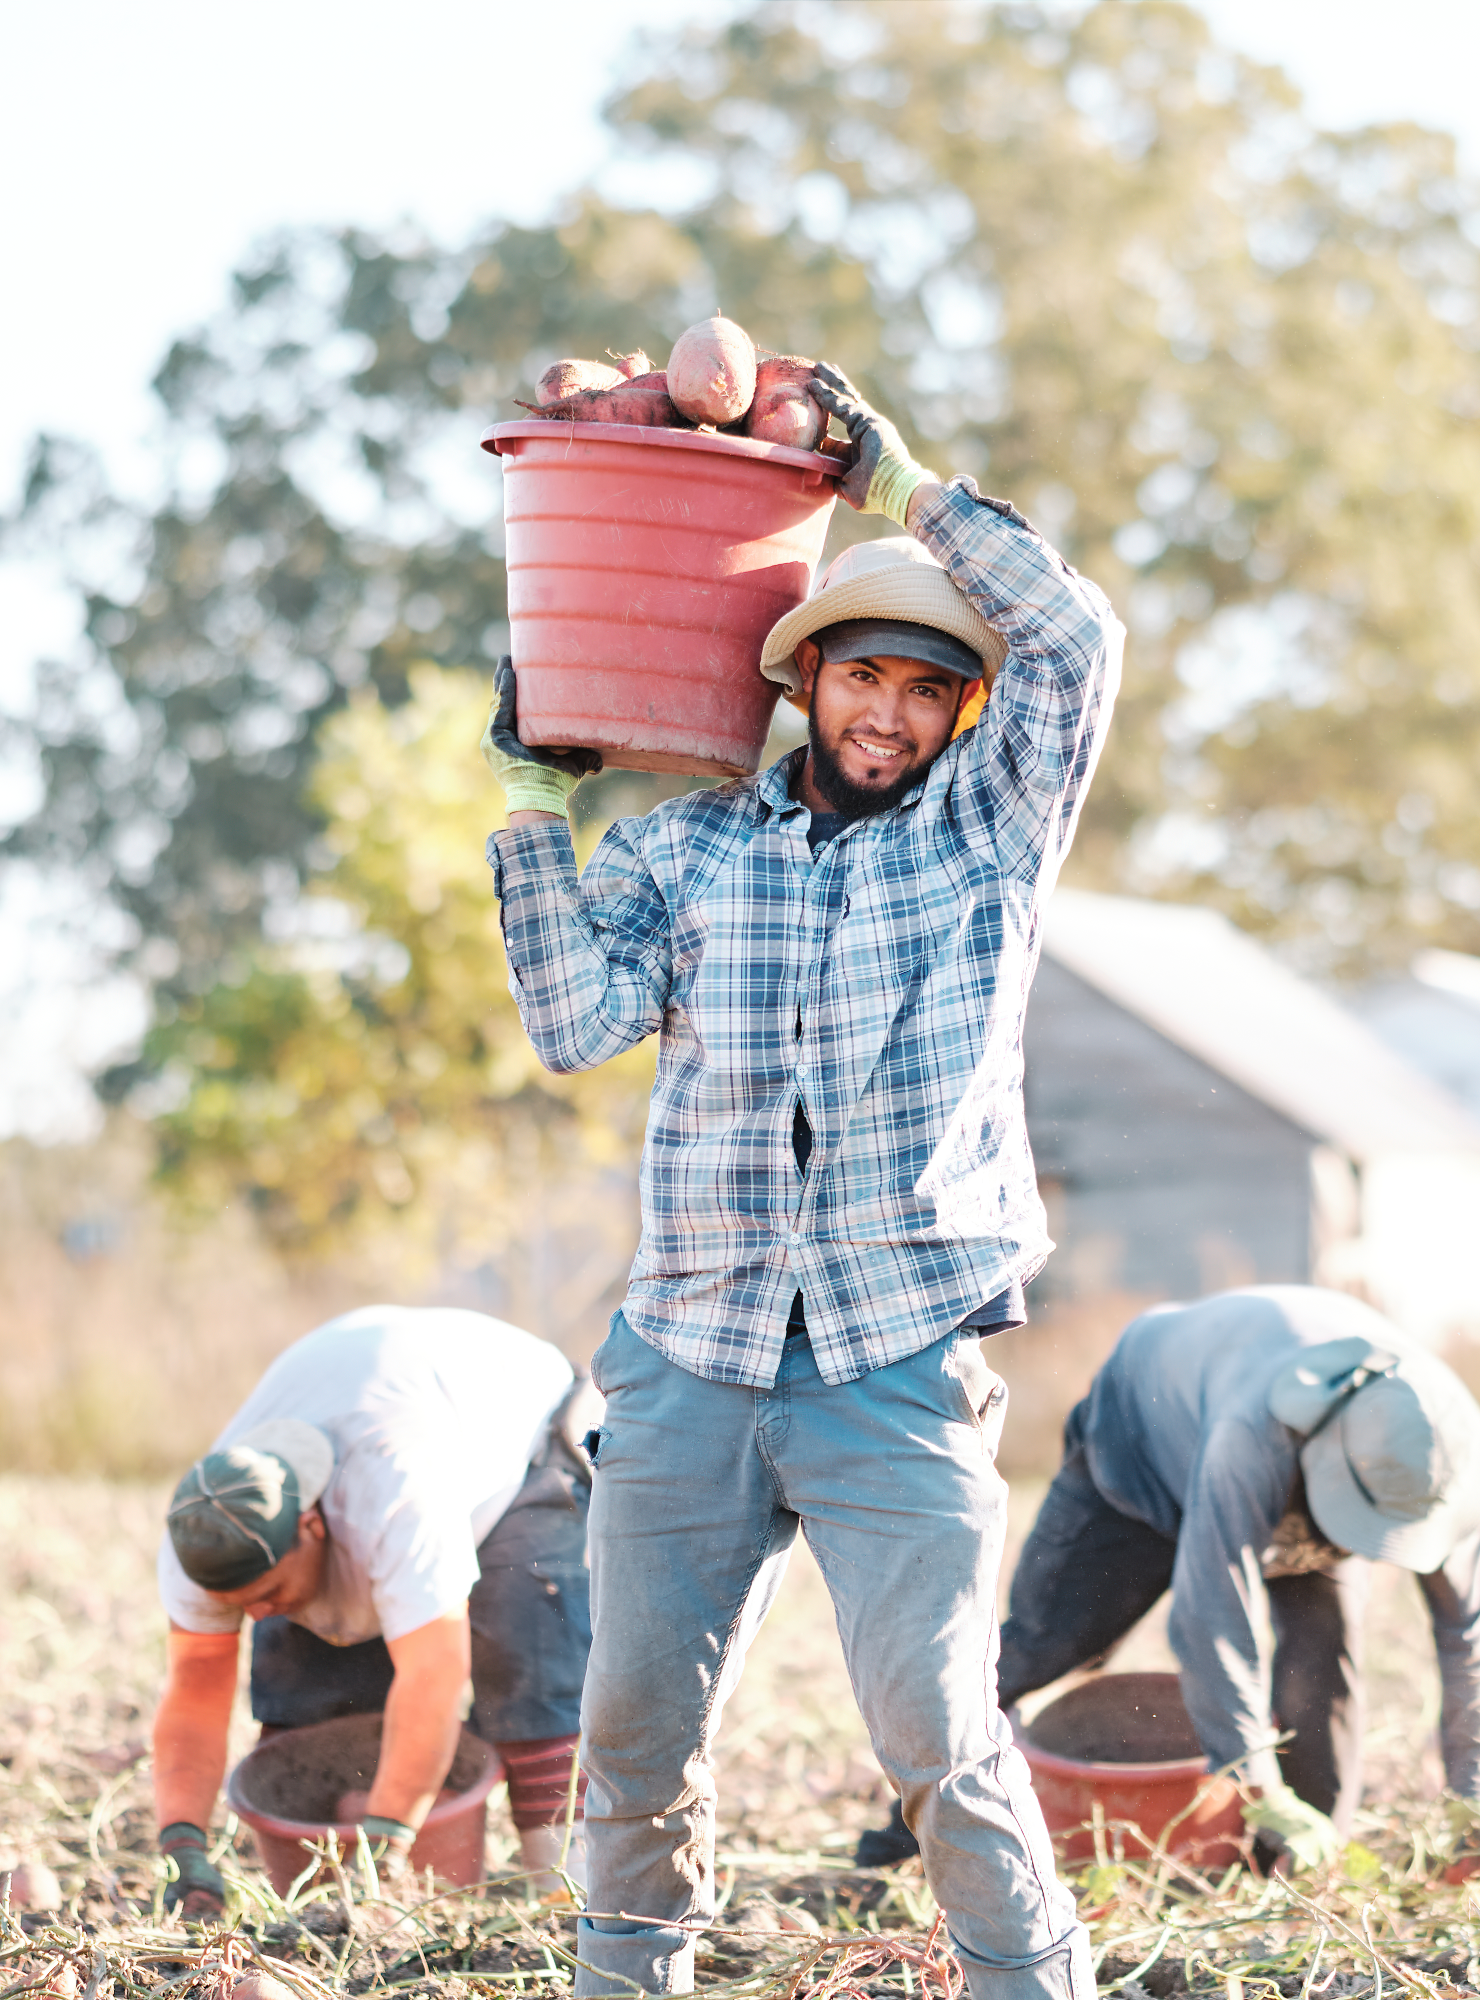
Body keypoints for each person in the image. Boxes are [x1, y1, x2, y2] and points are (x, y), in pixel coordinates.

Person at [481, 362, 1123, 2000]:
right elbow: (574, 1021)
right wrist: (535, 812)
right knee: (634, 1734)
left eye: (928, 689)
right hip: (687, 1355)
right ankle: (632, 1979)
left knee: (934, 1729)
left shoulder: (985, 833)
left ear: (961, 713)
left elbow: (1082, 644)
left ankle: (1032, 1982)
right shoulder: (686, 850)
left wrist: (904, 490)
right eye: (866, 677)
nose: (892, 715)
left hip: (890, 1358)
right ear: (809, 678)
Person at [854, 1285, 1480, 1877]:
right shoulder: (1254, 1435)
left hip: (1295, 1447)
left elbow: (1470, 1643)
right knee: (1051, 1639)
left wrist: (1478, 1798)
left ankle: (1301, 1867)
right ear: (1327, 1462)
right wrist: (1259, 1787)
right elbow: (1211, 1623)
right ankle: (908, 1838)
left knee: (1323, 1654)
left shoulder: (1447, 1464)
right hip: (1143, 1433)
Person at [148, 1304, 597, 1917]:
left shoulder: (392, 1497)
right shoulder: (201, 1542)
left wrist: (383, 1849)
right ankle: (322, 1897)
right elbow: (195, 1697)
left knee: (528, 1671)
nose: (253, 1615)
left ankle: (569, 1896)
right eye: (237, 1604)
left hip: (516, 1434)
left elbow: (434, 1675)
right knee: (311, 1708)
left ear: (310, 1525)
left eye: (266, 1593)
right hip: (364, 1391)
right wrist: (182, 1846)